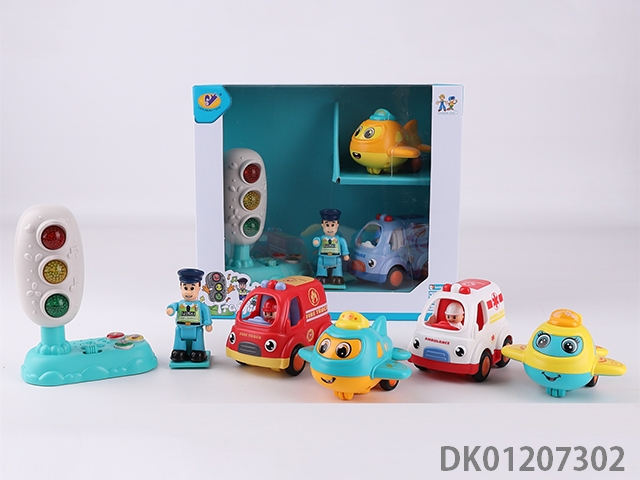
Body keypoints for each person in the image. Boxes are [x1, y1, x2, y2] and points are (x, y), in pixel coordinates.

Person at [166, 268, 213, 363]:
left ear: (198, 287)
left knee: (198, 339)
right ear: (181, 286)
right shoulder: (180, 304)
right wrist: (171, 309)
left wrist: (208, 324)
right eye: (185, 288)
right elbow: (174, 306)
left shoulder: (201, 306)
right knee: (178, 336)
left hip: (196, 329)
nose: (188, 292)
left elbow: (206, 312)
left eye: (192, 288)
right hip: (181, 328)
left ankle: (198, 352)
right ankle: (179, 351)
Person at [312, 209, 350, 285]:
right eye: (327, 225)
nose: (330, 228)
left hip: (335, 258)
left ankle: (337, 276)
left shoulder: (339, 239)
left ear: (337, 225)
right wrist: (316, 241)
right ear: (322, 225)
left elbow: (344, 245)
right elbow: (317, 242)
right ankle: (322, 276)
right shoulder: (322, 238)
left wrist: (345, 254)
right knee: (320, 261)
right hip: (324, 257)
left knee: (338, 263)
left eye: (332, 225)